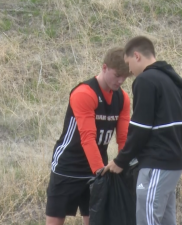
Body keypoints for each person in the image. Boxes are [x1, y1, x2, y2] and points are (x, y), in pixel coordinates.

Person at [102, 36, 182, 225]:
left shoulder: (145, 80)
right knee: (166, 221)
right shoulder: (177, 83)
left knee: (147, 220)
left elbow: (139, 129)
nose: (129, 71)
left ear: (136, 56)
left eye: (128, 64)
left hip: (156, 165)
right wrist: (171, 144)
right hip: (174, 165)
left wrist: (122, 160)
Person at [46, 47, 131, 225]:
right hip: (68, 166)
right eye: (117, 75)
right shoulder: (84, 93)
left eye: (125, 76)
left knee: (97, 220)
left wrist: (123, 166)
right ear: (104, 67)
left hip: (98, 166)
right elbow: (87, 137)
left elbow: (123, 138)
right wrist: (100, 173)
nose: (121, 81)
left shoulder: (123, 98)